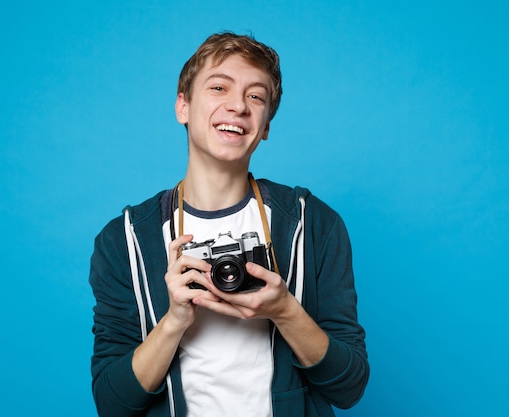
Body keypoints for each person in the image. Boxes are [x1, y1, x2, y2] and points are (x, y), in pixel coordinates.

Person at [89, 32, 369, 417]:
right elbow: (111, 403)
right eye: (219, 87)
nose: (237, 105)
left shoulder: (312, 222)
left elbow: (349, 387)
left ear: (266, 124)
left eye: (256, 96)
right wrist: (175, 321)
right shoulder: (125, 240)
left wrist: (284, 309)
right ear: (182, 107)